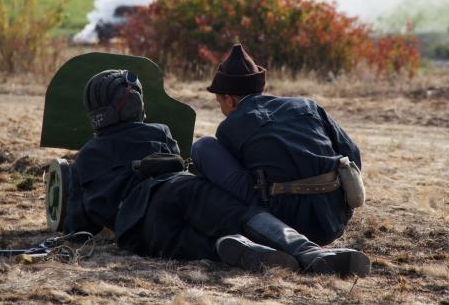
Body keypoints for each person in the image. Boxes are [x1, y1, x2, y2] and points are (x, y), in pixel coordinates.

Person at [64, 68, 371, 277]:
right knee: (240, 215)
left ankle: (239, 250)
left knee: (198, 244)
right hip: (181, 189)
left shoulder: (87, 157)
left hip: (138, 230)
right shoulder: (160, 132)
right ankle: (307, 252)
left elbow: (78, 226)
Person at [192, 44, 364, 246]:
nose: (222, 108)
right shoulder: (307, 106)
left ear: (228, 99)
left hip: (282, 225)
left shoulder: (230, 128)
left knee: (203, 147)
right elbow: (352, 153)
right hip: (333, 221)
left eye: (219, 102)